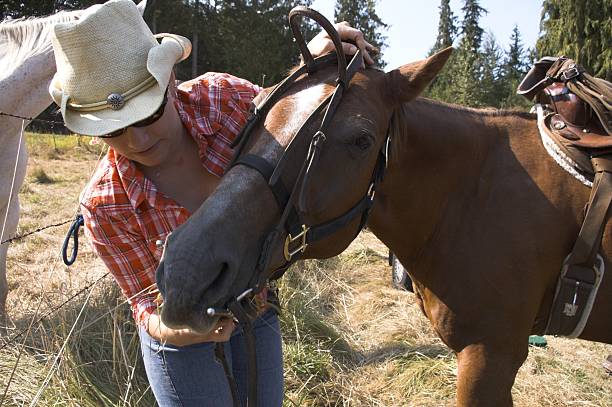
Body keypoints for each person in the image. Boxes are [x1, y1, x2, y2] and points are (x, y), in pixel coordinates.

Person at [48, 1, 376, 406]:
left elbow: (294, 121)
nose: (137, 141)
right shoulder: (105, 205)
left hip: (255, 310)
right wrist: (184, 331)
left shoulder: (223, 102)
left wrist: (314, 55)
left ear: (169, 82)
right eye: (113, 130)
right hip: (181, 343)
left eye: (147, 114)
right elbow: (144, 306)